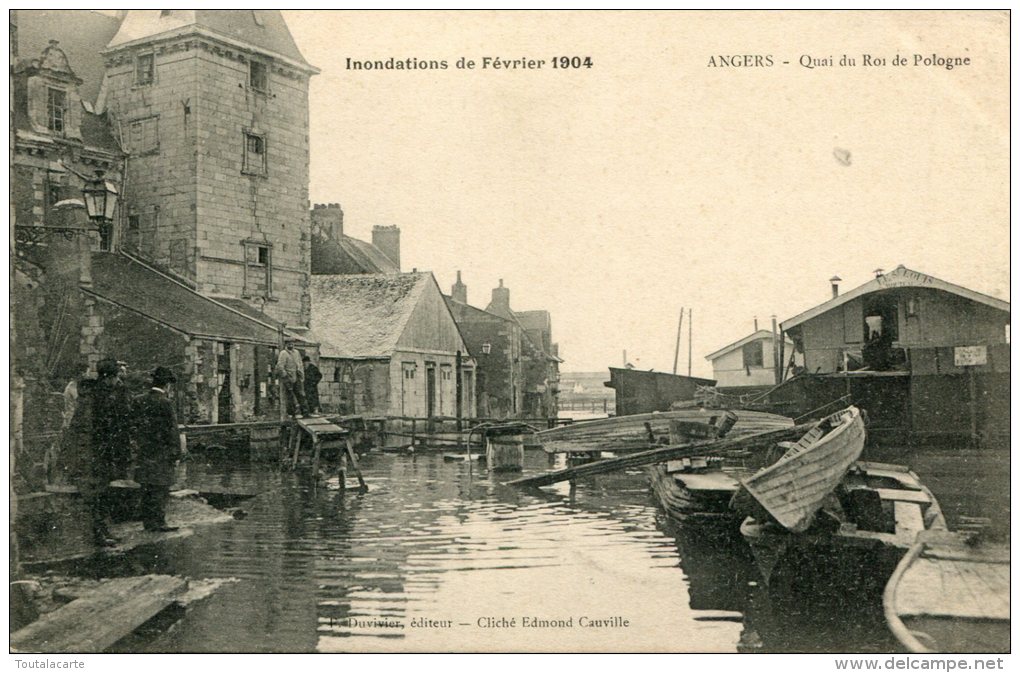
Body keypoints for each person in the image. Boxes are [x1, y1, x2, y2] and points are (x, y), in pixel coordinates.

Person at [132, 366, 182, 532]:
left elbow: (133, 425)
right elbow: (172, 430)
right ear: (167, 385)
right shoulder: (165, 403)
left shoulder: (139, 400)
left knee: (146, 486)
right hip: (162, 452)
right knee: (161, 487)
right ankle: (159, 522)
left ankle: (148, 522)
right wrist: (176, 452)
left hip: (144, 450)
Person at [275, 340, 308, 418]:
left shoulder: (296, 352)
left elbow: (300, 364)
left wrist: (301, 375)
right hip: (288, 377)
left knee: (301, 394)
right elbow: (280, 366)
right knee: (290, 395)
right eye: (289, 343)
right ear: (286, 344)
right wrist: (285, 376)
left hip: (297, 376)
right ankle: (292, 413)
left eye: (292, 343)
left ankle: (305, 412)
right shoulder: (283, 353)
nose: (291, 345)